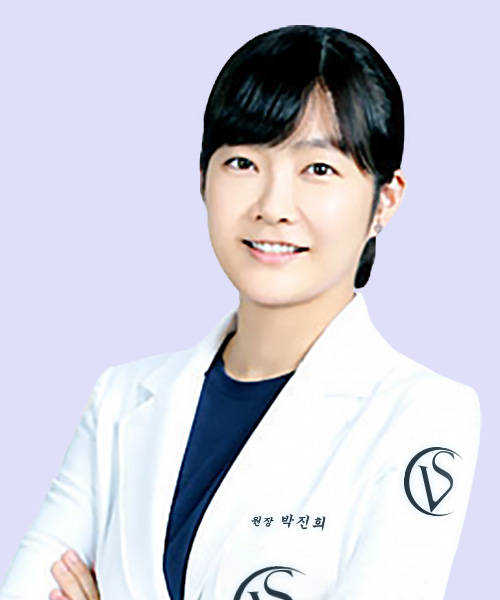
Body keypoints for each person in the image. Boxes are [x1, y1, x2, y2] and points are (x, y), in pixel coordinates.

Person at [0, 25, 480, 600]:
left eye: (318, 169)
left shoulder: (424, 413)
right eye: (243, 162)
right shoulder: (120, 399)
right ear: (203, 179)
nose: (273, 206)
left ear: (386, 199)